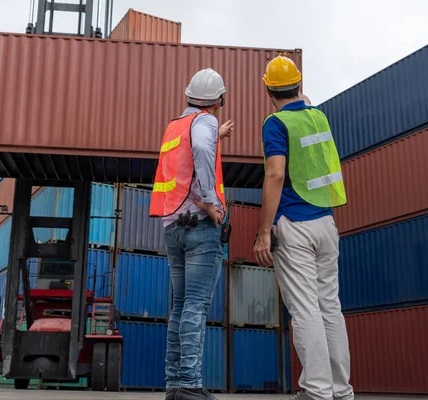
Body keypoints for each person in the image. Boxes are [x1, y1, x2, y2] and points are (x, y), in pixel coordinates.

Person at [253, 56, 353, 400]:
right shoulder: (318, 117)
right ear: (299, 85)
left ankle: (317, 391)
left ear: (268, 89)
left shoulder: (275, 123)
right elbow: (306, 106)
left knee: (305, 309)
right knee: (330, 307)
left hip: (295, 225)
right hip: (326, 223)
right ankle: (341, 391)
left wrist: (264, 231)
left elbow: (276, 174)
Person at [149, 68, 234, 400]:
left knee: (180, 306)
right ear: (218, 101)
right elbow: (200, 148)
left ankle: (173, 385)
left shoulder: (174, 127)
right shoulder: (205, 123)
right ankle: (190, 384)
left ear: (188, 96)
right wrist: (211, 203)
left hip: (172, 227)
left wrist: (217, 135)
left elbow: (188, 155)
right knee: (196, 306)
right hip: (199, 225)